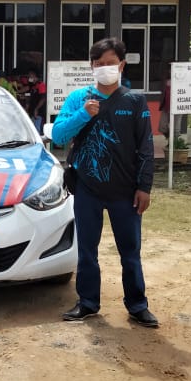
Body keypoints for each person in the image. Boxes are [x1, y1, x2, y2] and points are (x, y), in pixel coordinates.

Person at [51, 37, 158, 328]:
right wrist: (83, 114)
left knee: (130, 252)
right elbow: (58, 135)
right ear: (91, 67)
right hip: (87, 188)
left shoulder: (134, 101)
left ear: (121, 65)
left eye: (110, 63)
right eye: (99, 64)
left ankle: (137, 305)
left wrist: (144, 186)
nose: (105, 68)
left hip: (126, 191)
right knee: (87, 250)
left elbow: (146, 147)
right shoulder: (79, 98)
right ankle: (87, 302)